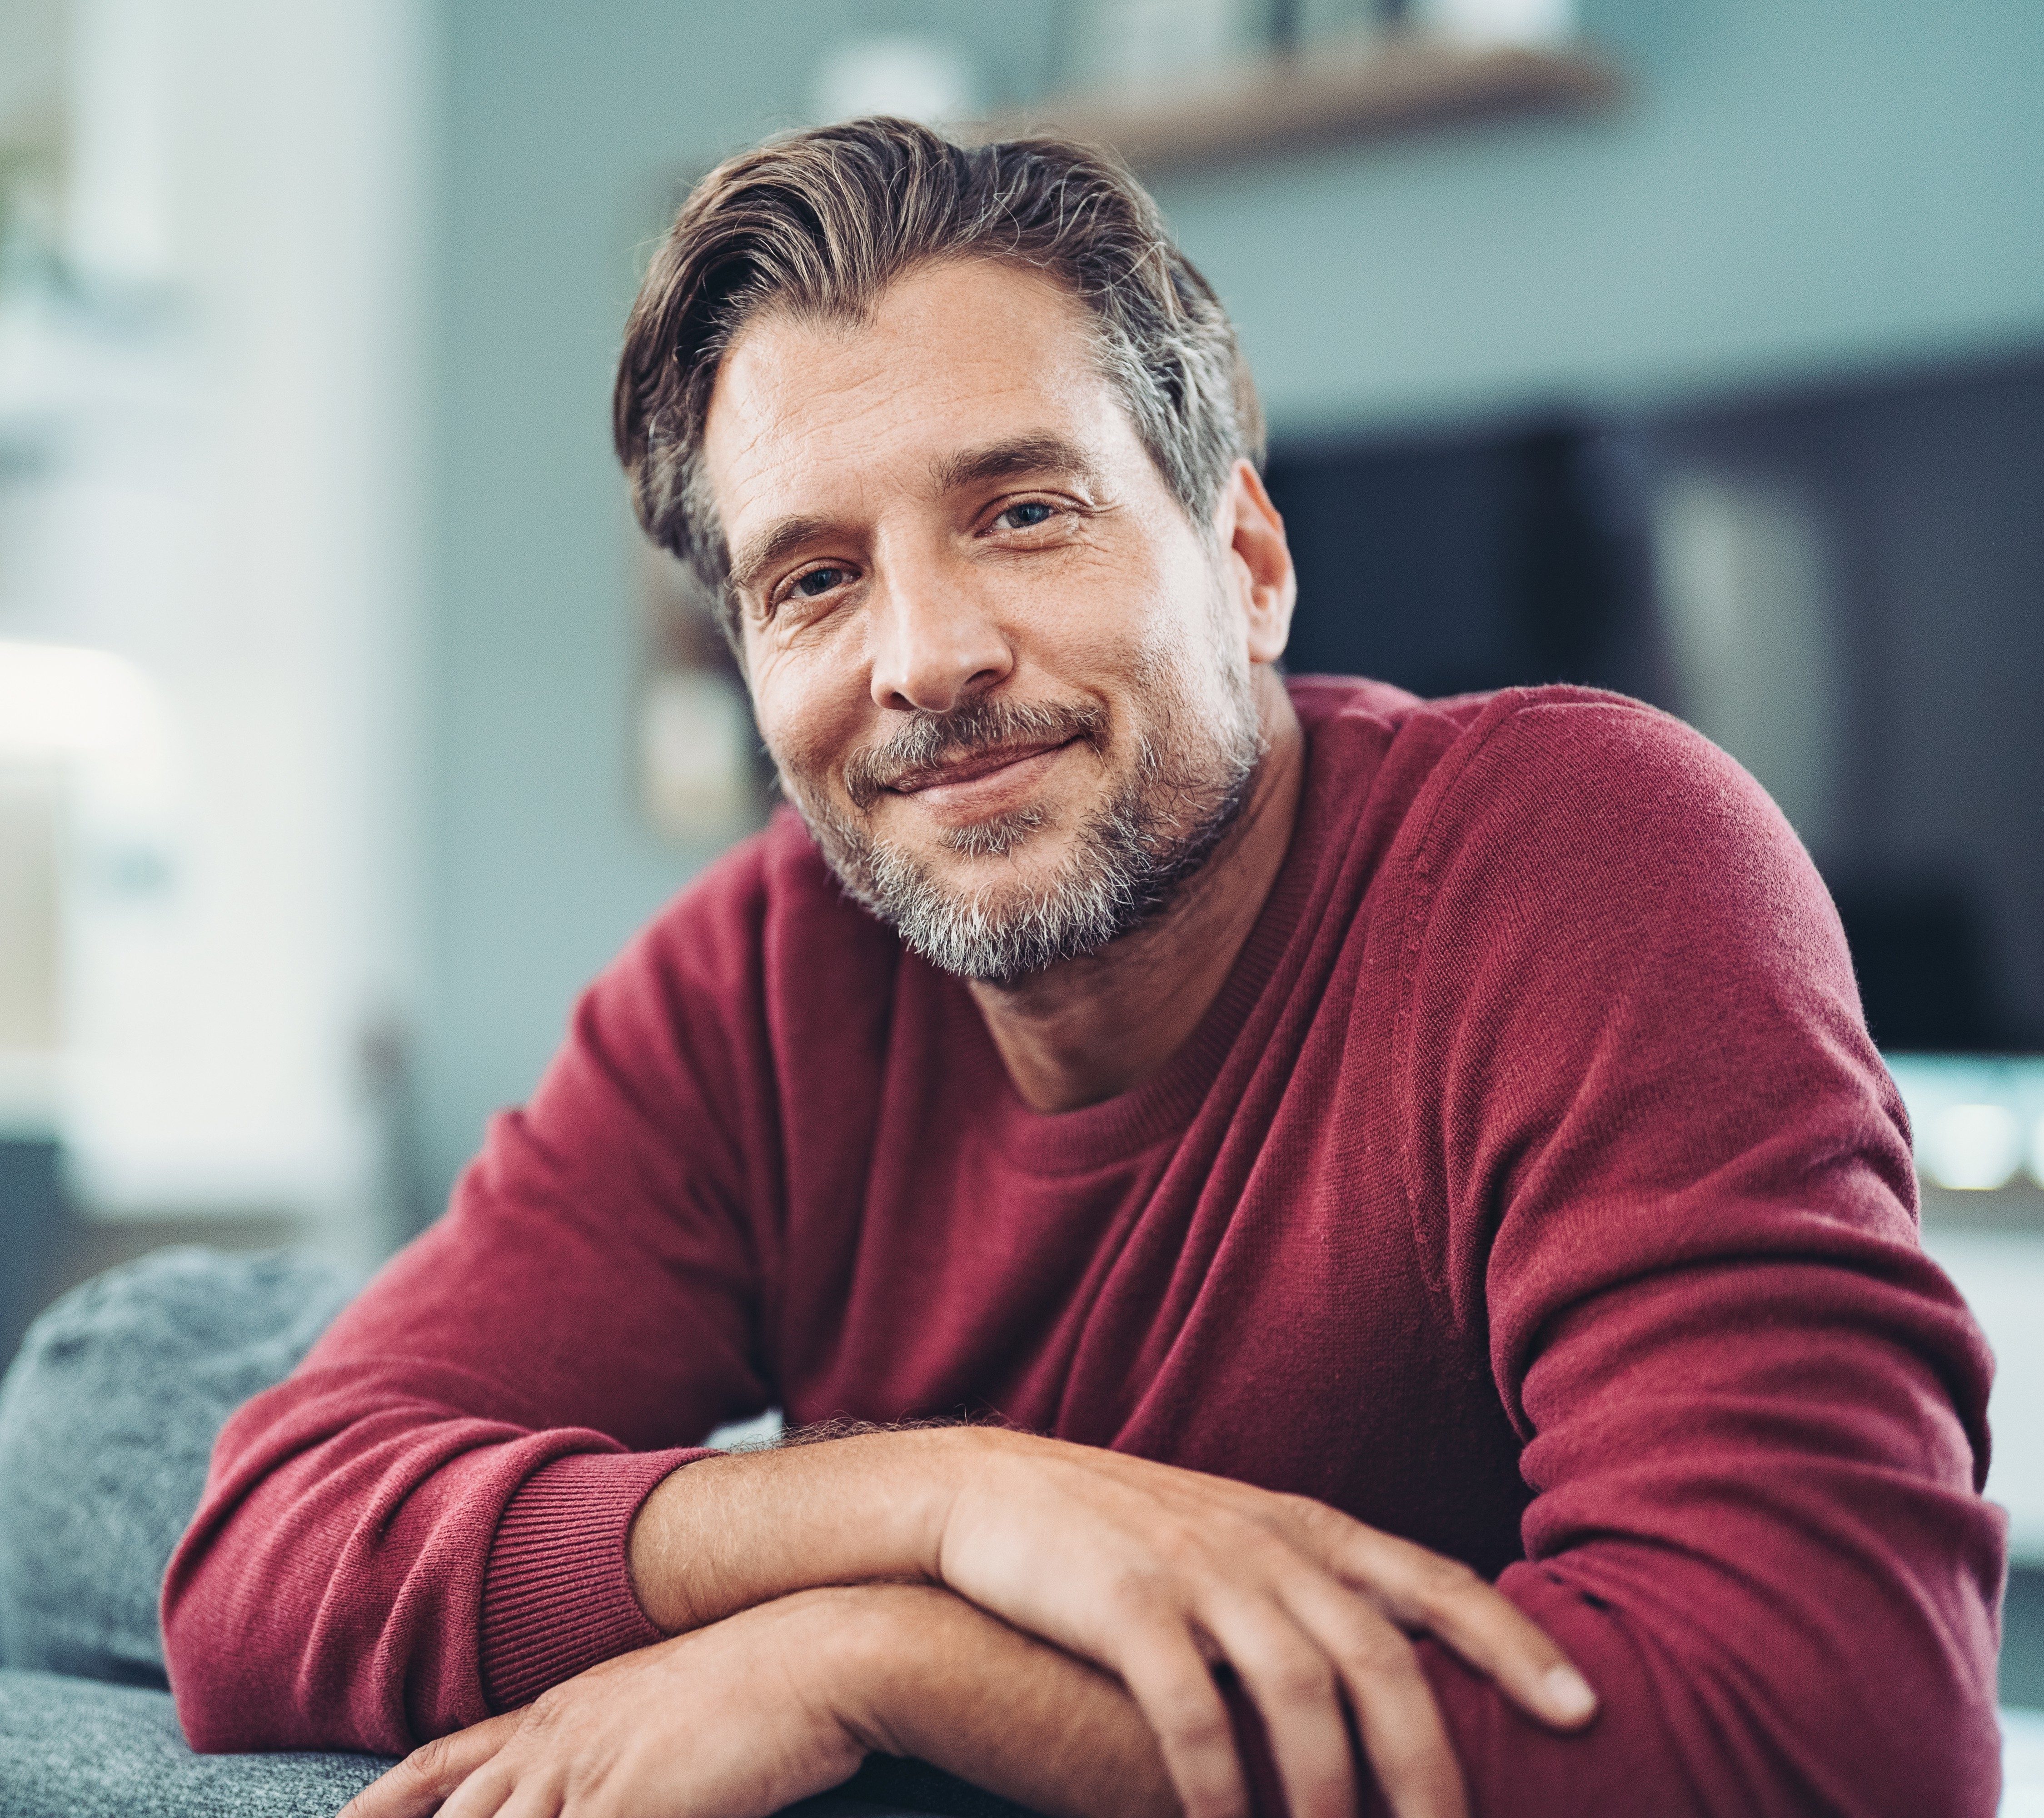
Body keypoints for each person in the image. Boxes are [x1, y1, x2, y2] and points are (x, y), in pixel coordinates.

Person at [160, 118, 2005, 1818]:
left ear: (1249, 558)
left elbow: (1839, 1733)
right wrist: (954, 1498)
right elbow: (253, 1568)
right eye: (812, 580)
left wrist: (889, 1651)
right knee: (131, 1414)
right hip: (315, 1383)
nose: (927, 655)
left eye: (1023, 511)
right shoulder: (757, 972)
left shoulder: (1590, 853)